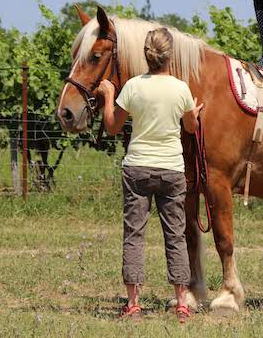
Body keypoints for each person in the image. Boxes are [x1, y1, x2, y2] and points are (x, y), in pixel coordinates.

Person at [95, 27, 204, 324]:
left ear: (146, 54)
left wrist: (108, 96)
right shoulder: (181, 89)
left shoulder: (131, 87)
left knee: (134, 235)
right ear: (170, 56)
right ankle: (182, 302)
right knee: (175, 235)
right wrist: (194, 111)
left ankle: (133, 303)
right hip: (171, 170)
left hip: (137, 168)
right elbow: (192, 128)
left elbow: (113, 127)